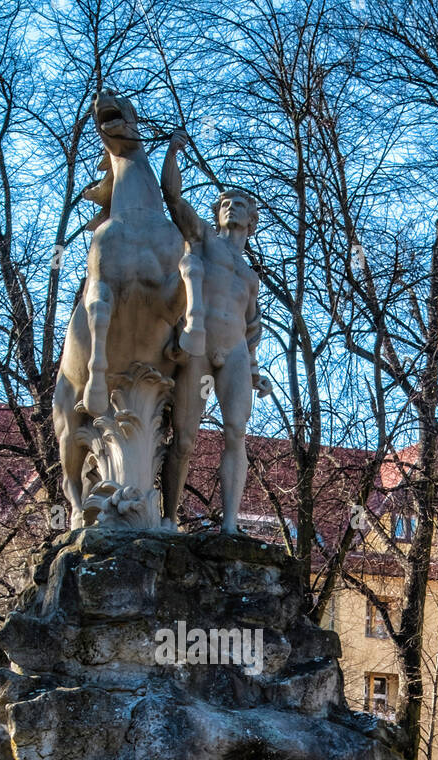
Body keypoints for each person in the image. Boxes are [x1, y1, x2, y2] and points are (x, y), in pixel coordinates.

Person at [159, 132, 271, 532]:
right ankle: (169, 519)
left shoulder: (250, 276)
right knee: (185, 437)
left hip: (235, 354)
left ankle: (228, 525)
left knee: (236, 433)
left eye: (239, 203)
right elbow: (173, 199)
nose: (231, 206)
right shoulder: (204, 238)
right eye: (225, 202)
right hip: (201, 347)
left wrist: (256, 367)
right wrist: (172, 153)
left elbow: (253, 326)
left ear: (251, 221)